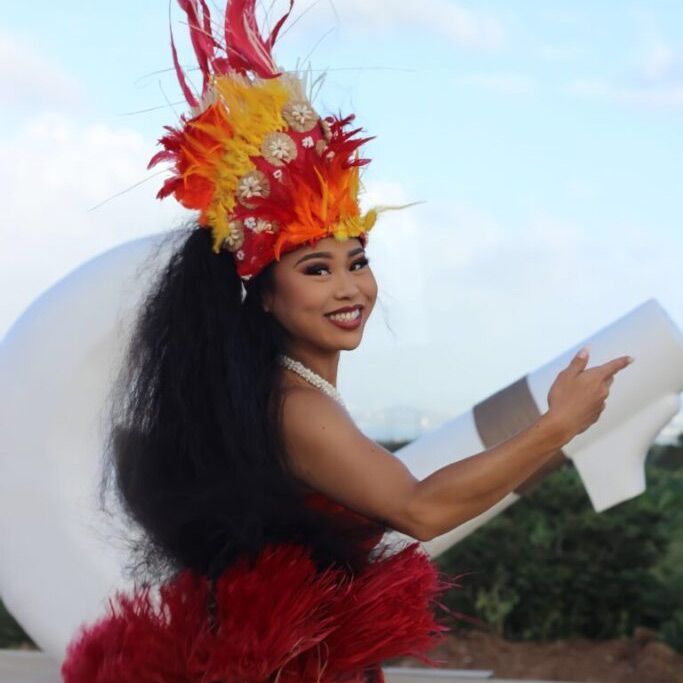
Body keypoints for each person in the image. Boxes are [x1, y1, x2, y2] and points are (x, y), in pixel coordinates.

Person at [60, 1, 633, 682]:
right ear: (263, 294)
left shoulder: (285, 391)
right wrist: (557, 425)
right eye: (315, 269)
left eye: (356, 262)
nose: (348, 288)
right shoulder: (296, 408)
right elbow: (419, 508)